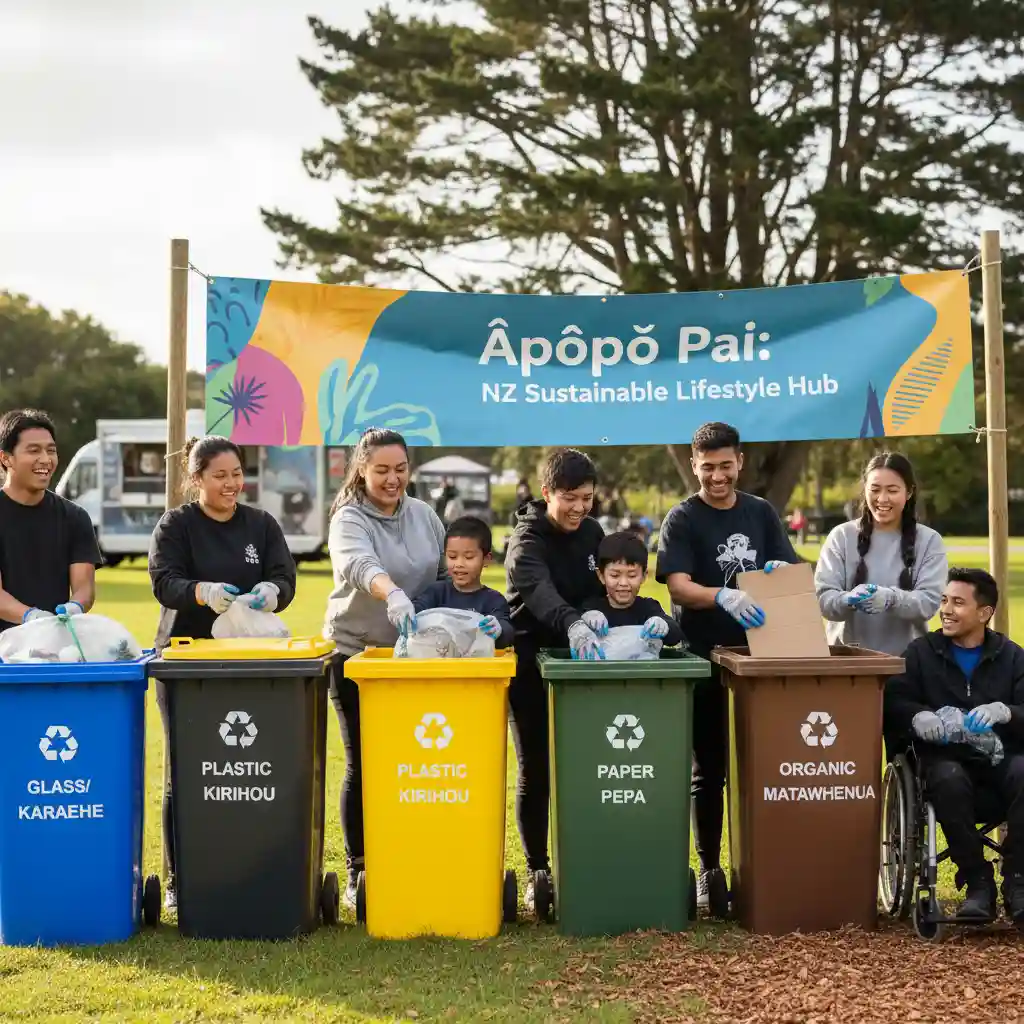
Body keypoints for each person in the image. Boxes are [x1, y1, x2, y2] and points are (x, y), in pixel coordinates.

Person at [148, 435, 297, 910]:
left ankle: (250, 862)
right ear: (197, 479)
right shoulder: (177, 525)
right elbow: (164, 582)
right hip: (189, 664)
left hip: (251, 662)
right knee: (188, 771)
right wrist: (203, 592)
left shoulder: (260, 524)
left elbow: (285, 577)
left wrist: (271, 593)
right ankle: (181, 879)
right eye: (220, 476)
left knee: (247, 769)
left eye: (237, 474)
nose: (231, 484)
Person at [656, 421, 797, 917]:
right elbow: (677, 585)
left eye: (725, 465)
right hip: (702, 657)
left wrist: (780, 573)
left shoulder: (760, 513)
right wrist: (723, 595)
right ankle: (709, 870)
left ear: (740, 461)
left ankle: (764, 866)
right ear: (694, 465)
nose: (717, 476)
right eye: (707, 467)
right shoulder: (683, 518)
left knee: (763, 766)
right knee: (708, 769)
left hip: (759, 659)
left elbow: (786, 570)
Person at [323, 428, 446, 907]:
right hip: (358, 655)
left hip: (416, 661)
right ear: (361, 469)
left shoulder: (424, 515)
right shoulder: (349, 518)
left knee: (413, 763)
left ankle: (407, 851)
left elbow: (444, 576)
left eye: (400, 469)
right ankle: (360, 868)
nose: (393, 479)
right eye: (381, 470)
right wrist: (391, 592)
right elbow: (358, 564)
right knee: (364, 761)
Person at [884, 568, 1024, 923]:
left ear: (984, 613)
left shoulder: (1012, 657)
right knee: (948, 777)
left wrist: (1006, 711)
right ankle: (978, 883)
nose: (946, 610)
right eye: (944, 600)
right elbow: (893, 700)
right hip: (944, 766)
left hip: (1001, 764)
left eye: (958, 603)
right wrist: (916, 716)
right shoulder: (921, 653)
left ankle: (1017, 881)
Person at [504, 448, 606, 909]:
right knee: (536, 766)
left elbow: (603, 584)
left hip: (581, 661)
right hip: (530, 661)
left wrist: (595, 615)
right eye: (570, 498)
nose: (579, 507)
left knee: (584, 764)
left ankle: (583, 857)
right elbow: (538, 591)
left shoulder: (593, 534)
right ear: (547, 493)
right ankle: (537, 869)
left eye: (587, 498)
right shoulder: (526, 539)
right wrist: (573, 622)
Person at [814, 452, 947, 657]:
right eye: (875, 490)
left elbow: (929, 602)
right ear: (865, 489)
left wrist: (890, 599)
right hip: (846, 661)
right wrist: (847, 599)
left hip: (907, 662)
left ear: (909, 492)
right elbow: (823, 599)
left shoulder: (929, 541)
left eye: (892, 490)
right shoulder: (841, 536)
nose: (882, 499)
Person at [0, 409, 100, 631]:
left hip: (54, 642)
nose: (46, 460)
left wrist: (75, 606)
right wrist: (31, 616)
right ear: (6, 458)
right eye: (34, 450)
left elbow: (84, 588)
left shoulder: (75, 517)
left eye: (51, 450)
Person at [412, 516, 513, 648]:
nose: (459, 564)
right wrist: (406, 612)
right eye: (452, 556)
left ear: (486, 559)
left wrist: (499, 630)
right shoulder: (436, 593)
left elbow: (507, 630)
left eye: (469, 557)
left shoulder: (493, 600)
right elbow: (415, 612)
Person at [581, 531, 684, 647]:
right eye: (615, 575)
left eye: (632, 575)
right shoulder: (592, 607)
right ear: (601, 576)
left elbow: (676, 636)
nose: (623, 583)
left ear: (644, 576)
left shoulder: (648, 608)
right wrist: (585, 620)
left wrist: (664, 626)